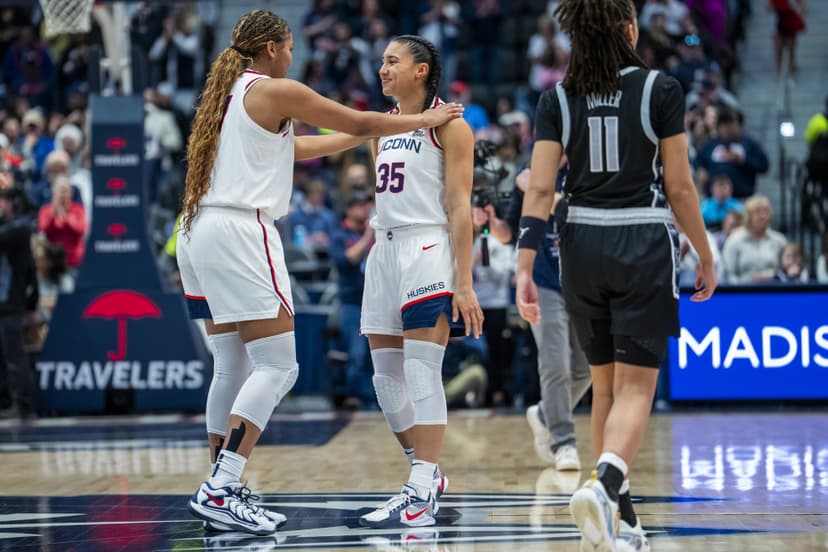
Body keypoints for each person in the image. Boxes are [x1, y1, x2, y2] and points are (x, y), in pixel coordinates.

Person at [176, 10, 463, 536]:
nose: (293, 55)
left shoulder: (226, 94)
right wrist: (422, 120)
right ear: (271, 48)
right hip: (241, 229)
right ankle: (223, 485)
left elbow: (297, 148)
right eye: (289, 47)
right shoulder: (275, 89)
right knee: (278, 366)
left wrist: (366, 136)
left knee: (229, 364)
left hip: (197, 229)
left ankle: (221, 485)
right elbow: (360, 122)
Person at [514, 2, 717, 551]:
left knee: (604, 387)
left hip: (580, 244)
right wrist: (705, 252)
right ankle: (603, 486)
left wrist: (524, 264)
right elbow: (679, 187)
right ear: (630, 30)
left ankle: (621, 521)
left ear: (575, 36)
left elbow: (539, 188)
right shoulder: (660, 89)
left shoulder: (556, 98)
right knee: (635, 389)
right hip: (641, 241)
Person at [357, 34, 483, 529]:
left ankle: (420, 488)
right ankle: (426, 474)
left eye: (393, 61)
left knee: (422, 372)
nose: (383, 69)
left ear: (421, 70)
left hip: (427, 247)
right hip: (383, 250)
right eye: (382, 61)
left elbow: (459, 206)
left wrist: (464, 282)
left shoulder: (451, 127)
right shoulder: (381, 126)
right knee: (386, 384)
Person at [482, 165, 591, 470]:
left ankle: (544, 414)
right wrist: (490, 222)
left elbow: (574, 215)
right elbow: (509, 233)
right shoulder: (529, 174)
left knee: (586, 369)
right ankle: (563, 441)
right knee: (556, 364)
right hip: (543, 283)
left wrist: (538, 190)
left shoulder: (586, 168)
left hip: (583, 282)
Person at [328, 191, 375, 409]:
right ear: (348, 209)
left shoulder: (371, 233)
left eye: (366, 205)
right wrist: (368, 237)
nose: (364, 209)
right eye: (359, 205)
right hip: (351, 301)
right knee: (356, 352)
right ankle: (353, 395)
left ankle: (371, 397)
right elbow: (347, 260)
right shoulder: (340, 235)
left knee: (372, 353)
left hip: (373, 301)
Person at [721, 194, 787, 284]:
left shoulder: (779, 240)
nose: (763, 216)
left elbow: (786, 271)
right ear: (748, 215)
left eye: (766, 212)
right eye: (758, 212)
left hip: (775, 289)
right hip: (743, 289)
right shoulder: (734, 241)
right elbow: (728, 275)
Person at [769, 0, 806, 78]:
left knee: (791, 51)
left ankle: (791, 72)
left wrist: (800, 16)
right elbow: (769, 7)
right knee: (779, 51)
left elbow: (802, 5)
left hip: (790, 24)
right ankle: (779, 72)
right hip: (779, 25)